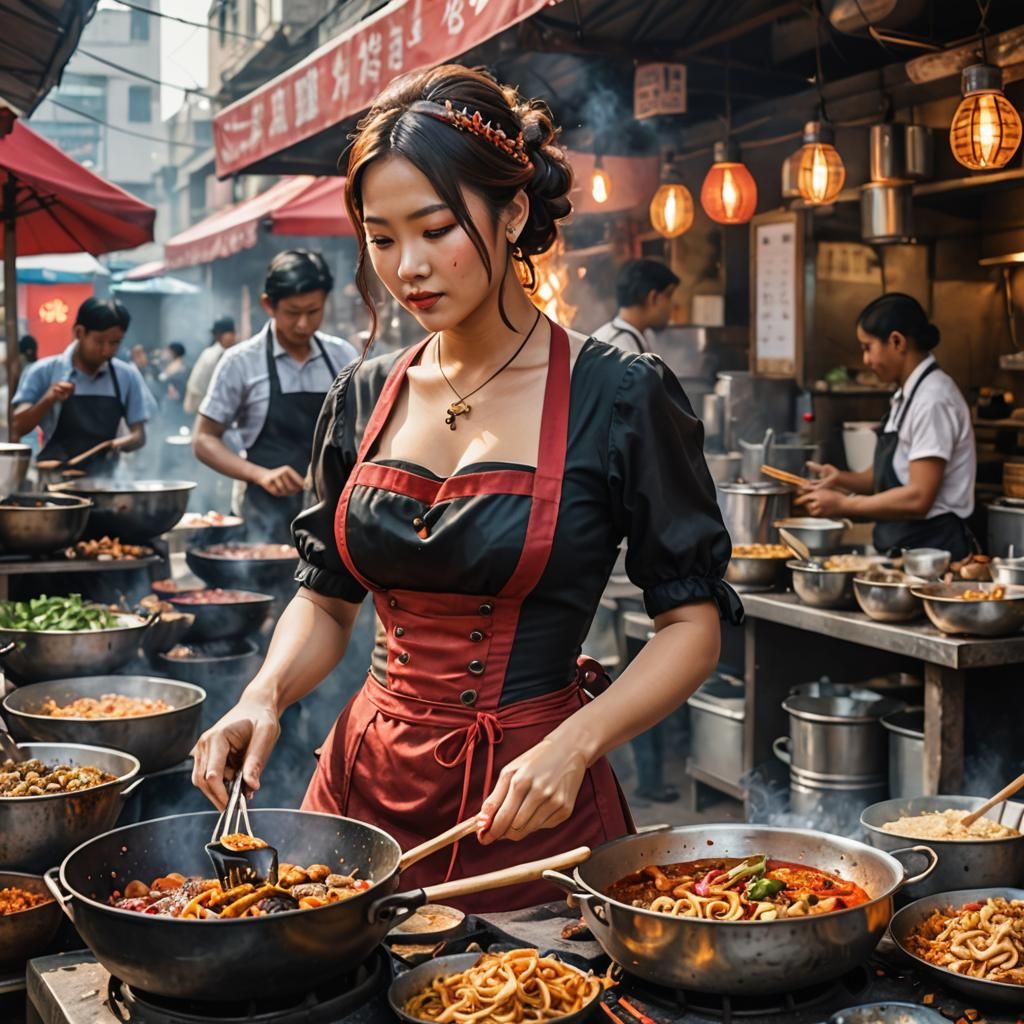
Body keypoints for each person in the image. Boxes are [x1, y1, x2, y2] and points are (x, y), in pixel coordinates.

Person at [191, 64, 740, 911]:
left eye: (436, 227)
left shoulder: (620, 394)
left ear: (512, 212)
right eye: (380, 238)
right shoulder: (364, 394)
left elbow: (692, 626)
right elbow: (328, 600)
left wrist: (577, 745)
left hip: (530, 806)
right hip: (358, 794)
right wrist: (260, 696)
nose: (407, 267)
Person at [193, 251, 357, 541]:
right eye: (293, 313)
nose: (304, 324)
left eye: (314, 311)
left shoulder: (343, 356)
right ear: (268, 304)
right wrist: (260, 475)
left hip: (334, 516)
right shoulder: (240, 362)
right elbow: (204, 439)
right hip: (263, 518)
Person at [798, 293, 977, 559]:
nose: (866, 360)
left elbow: (918, 497)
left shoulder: (933, 399)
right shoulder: (908, 395)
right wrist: (840, 480)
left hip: (936, 555)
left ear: (897, 341)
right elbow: (888, 474)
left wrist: (844, 504)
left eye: (867, 347)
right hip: (908, 549)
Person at [12, 297, 151, 472]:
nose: (107, 350)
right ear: (79, 332)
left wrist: (114, 445)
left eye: (115, 343)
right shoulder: (43, 372)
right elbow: (17, 427)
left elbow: (139, 435)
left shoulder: (127, 376)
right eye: (99, 342)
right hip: (55, 486)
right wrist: (48, 399)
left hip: (106, 484)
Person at [592, 259, 679, 354]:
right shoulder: (616, 350)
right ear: (652, 298)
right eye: (669, 296)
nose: (673, 305)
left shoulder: (646, 335)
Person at [184, 316, 237, 416]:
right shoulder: (220, 355)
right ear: (221, 336)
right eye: (232, 334)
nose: (235, 337)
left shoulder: (210, 351)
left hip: (197, 405)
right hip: (202, 407)